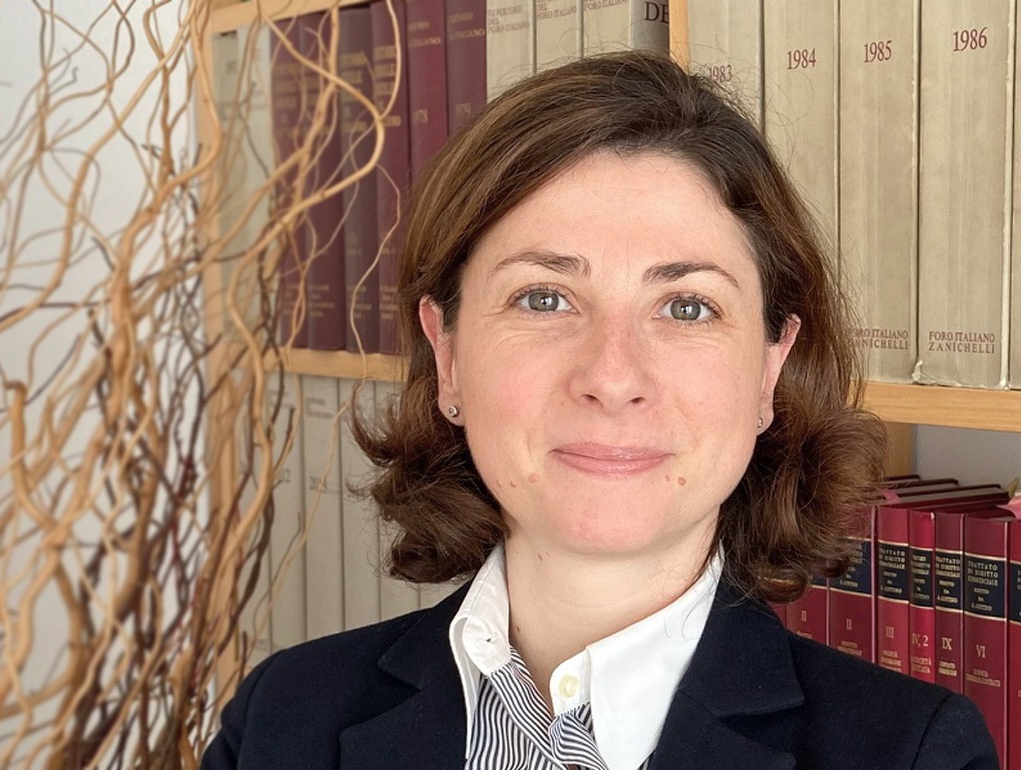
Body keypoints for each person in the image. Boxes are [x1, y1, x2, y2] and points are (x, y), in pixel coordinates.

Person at [202, 50, 997, 769]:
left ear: (768, 370)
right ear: (447, 356)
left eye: (687, 307)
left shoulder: (916, 754)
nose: (613, 378)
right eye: (544, 298)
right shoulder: (281, 721)